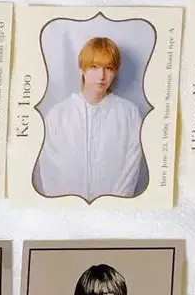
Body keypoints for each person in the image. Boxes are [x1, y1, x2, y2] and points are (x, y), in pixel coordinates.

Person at [35, 36, 143, 202]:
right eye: (94, 67)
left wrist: (114, 204)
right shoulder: (57, 115)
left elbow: (131, 165)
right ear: (82, 69)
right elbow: (49, 168)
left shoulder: (129, 114)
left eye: (108, 68)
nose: (101, 76)